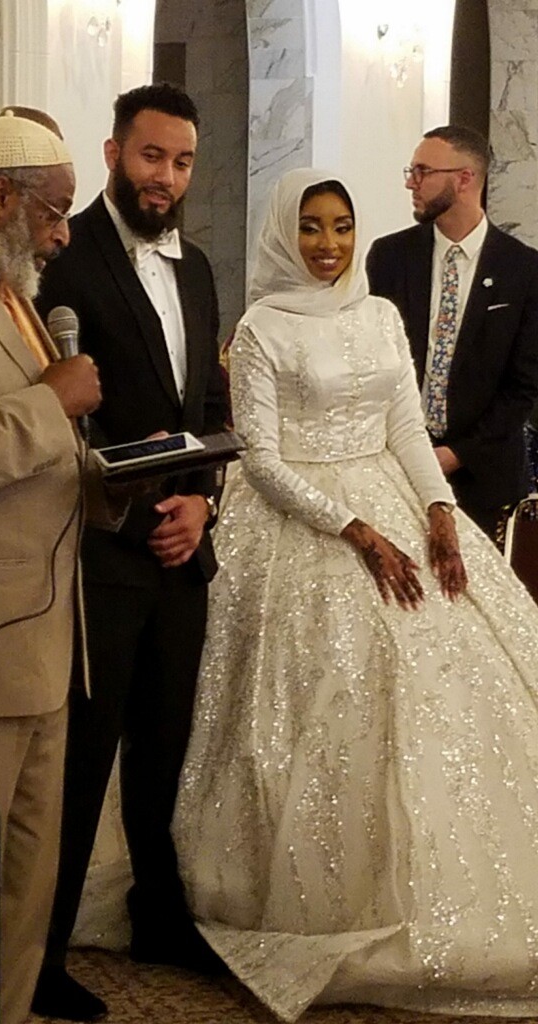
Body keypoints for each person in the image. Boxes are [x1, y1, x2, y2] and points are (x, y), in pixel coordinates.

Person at [172, 168, 538, 1022]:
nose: (329, 244)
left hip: (396, 495)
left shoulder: (378, 314)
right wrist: (356, 531)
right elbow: (261, 457)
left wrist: (437, 511)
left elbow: (405, 424)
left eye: (341, 226)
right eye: (311, 226)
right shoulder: (262, 327)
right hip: (301, 521)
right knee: (342, 678)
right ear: (283, 232)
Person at [32, 83, 227, 1022]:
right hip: (102, 552)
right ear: (114, 154)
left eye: (182, 162)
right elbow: (68, 410)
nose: (167, 178)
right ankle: (38, 954)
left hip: (183, 553)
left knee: (164, 750)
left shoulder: (199, 267)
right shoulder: (63, 255)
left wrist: (202, 502)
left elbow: (208, 411)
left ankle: (159, 918)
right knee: (79, 763)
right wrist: (148, 505)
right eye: (153, 157)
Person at [0, 112, 122, 1024]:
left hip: (51, 637)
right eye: (54, 212)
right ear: (0, 197)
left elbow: (50, 449)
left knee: (26, 886)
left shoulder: (17, 295)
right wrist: (50, 402)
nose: (63, 234)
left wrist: (116, 484)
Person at [366, 125, 538, 541]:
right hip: (397, 470)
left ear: (464, 179)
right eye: (411, 171)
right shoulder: (389, 256)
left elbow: (523, 388)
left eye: (423, 171)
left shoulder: (524, 270)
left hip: (486, 480)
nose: (411, 183)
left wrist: (456, 454)